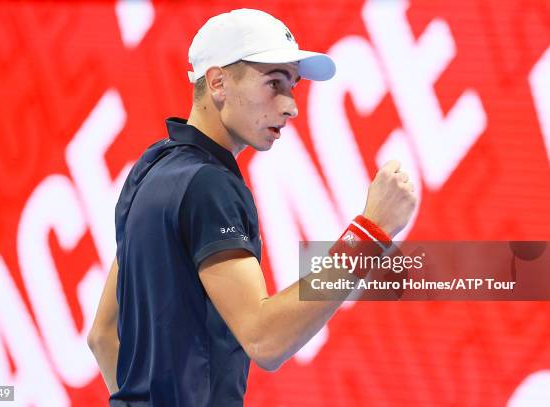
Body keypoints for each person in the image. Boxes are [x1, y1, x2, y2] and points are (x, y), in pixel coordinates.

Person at [87, 8, 416, 407]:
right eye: (274, 82)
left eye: (292, 85)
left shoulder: (150, 167)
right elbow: (265, 338)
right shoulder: (211, 185)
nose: (291, 106)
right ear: (218, 82)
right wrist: (370, 232)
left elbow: (104, 335)